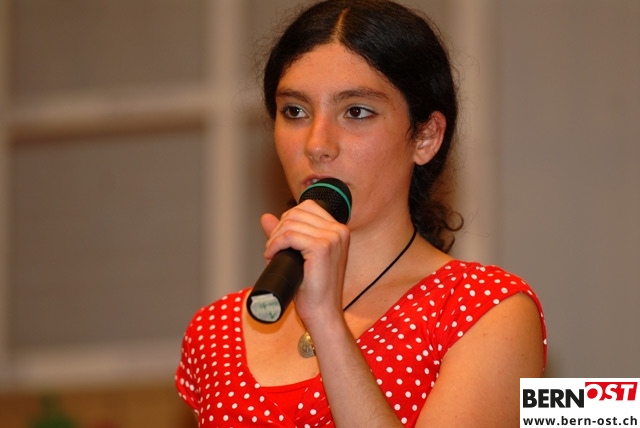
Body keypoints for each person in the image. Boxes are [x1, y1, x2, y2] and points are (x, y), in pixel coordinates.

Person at [175, 0, 546, 426]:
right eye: (295, 111)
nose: (317, 144)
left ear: (425, 137)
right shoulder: (215, 328)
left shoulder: (483, 310)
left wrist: (327, 321)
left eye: (356, 112)